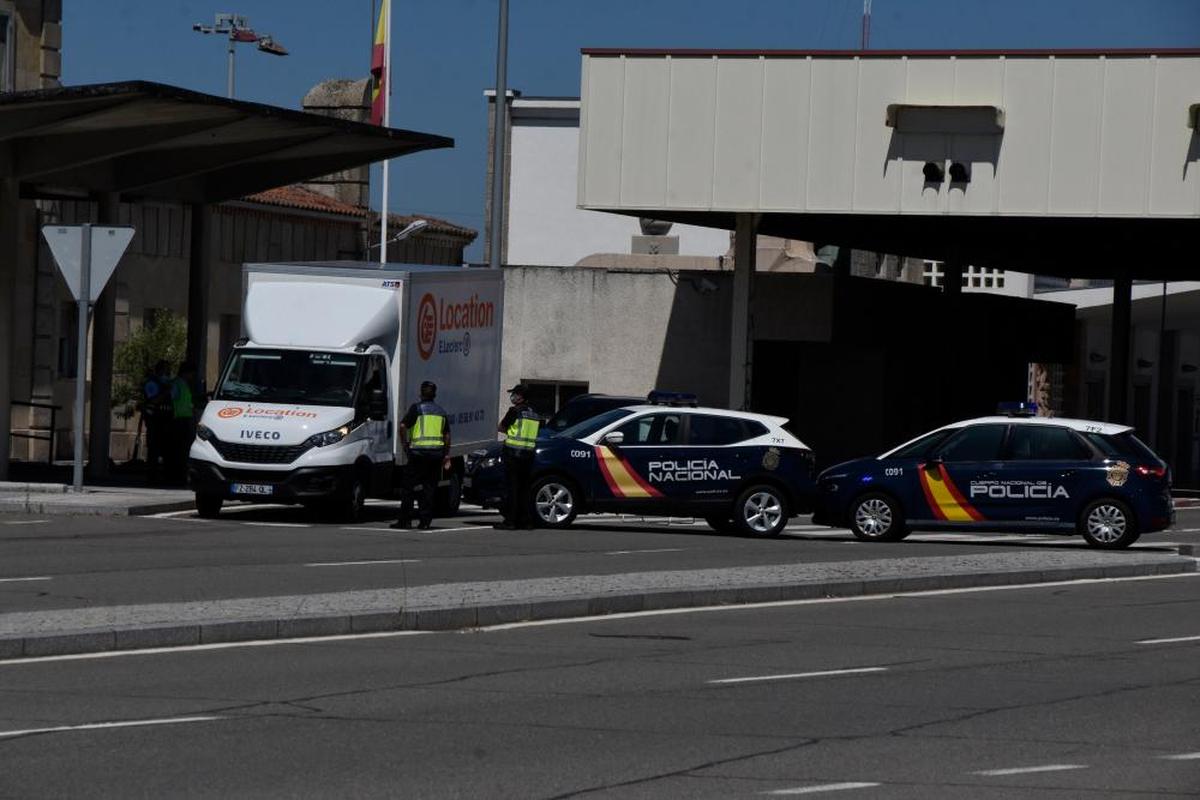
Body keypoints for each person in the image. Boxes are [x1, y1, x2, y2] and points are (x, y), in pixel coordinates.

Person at [392, 381, 451, 530]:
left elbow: (403, 426)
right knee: (429, 488)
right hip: (435, 454)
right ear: (434, 394)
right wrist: (445, 454)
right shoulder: (441, 411)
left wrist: (405, 444)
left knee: (408, 488)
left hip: (418, 453)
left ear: (421, 393)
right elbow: (447, 435)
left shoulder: (417, 409)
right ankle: (425, 522)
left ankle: (405, 520)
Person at [496, 384, 542, 530]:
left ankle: (510, 521)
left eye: (515, 394)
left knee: (512, 489)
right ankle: (526, 521)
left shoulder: (514, 411)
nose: (513, 397)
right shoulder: (535, 413)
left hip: (513, 454)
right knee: (525, 489)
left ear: (521, 396)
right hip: (528, 455)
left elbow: (501, 427)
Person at [140, 360, 172, 484]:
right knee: (153, 449)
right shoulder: (152, 384)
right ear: (160, 370)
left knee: (165, 449)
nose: (168, 372)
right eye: (166, 369)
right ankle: (152, 476)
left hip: (165, 420)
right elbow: (153, 400)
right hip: (154, 421)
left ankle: (164, 475)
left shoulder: (166, 384)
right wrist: (165, 392)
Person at [169, 361, 198, 484]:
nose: (192, 376)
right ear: (186, 373)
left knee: (186, 448)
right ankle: (178, 476)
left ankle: (182, 474)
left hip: (186, 418)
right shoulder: (177, 383)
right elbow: (173, 398)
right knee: (181, 449)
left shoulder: (184, 384)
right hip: (179, 419)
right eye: (191, 373)